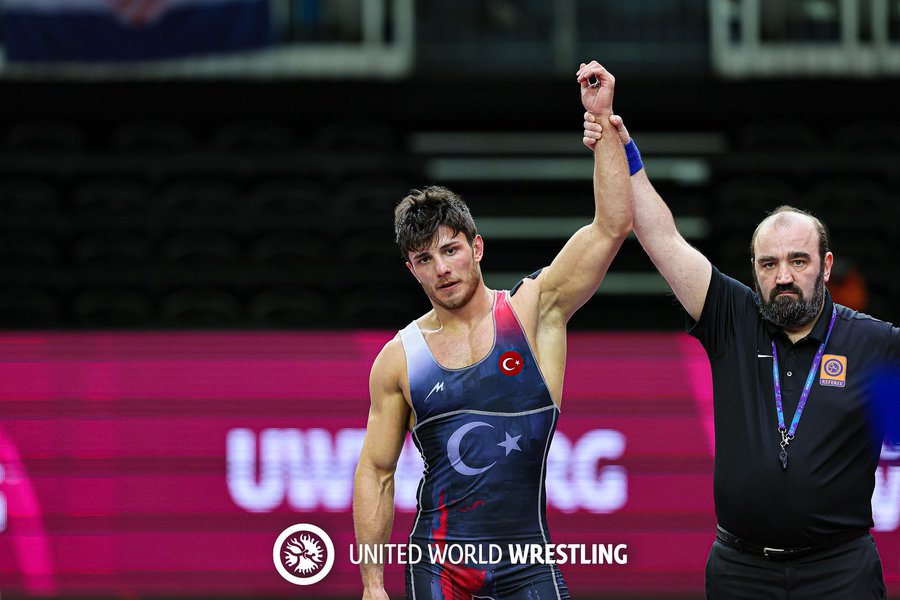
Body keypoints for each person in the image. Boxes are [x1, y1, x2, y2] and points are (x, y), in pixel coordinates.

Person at [582, 69, 900, 598]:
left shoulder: (874, 342)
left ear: (825, 267)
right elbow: (660, 235)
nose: (783, 276)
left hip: (840, 571)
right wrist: (617, 139)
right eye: (769, 263)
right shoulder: (732, 316)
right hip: (741, 572)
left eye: (798, 261)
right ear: (753, 270)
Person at [352, 62, 632, 600]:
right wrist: (371, 585)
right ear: (412, 270)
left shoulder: (533, 312)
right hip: (439, 568)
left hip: (529, 566)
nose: (442, 268)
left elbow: (612, 227)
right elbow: (376, 470)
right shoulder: (399, 359)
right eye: (425, 259)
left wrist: (604, 125)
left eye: (451, 250)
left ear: (477, 247)